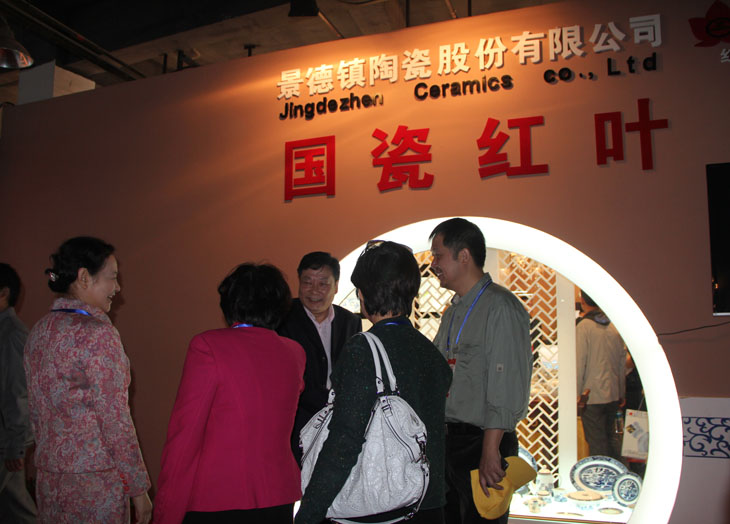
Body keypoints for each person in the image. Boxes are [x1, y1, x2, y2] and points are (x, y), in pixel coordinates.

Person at [295, 241, 452, 524]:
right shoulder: (429, 351)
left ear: (362, 294)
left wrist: (310, 511)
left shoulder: (362, 349)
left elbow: (344, 439)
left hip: (383, 508)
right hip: (429, 502)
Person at [154, 263, 305, 524]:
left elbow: (184, 436)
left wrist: (165, 511)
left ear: (231, 303)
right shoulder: (295, 352)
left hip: (217, 495)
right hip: (277, 494)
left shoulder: (208, 346)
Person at [23, 237, 152, 524]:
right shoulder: (98, 334)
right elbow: (115, 418)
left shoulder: (39, 331)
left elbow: (35, 412)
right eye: (112, 278)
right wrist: (138, 488)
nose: (117, 288)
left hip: (50, 481)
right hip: (95, 485)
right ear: (84, 277)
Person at [429, 218, 532, 524]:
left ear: (464, 256)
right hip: (451, 442)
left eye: (438, 256)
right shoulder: (452, 311)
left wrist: (491, 451)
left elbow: (505, 383)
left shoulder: (501, 307)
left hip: (484, 443)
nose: (433, 265)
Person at [277, 251, 361, 464]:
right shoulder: (282, 318)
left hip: (339, 423)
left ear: (336, 286)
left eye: (323, 283)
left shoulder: (350, 322)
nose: (314, 291)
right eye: (307, 282)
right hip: (295, 424)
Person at [0, 263, 37, 523]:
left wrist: (15, 445)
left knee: (18, 510)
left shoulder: (12, 335)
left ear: (4, 293)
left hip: (5, 441)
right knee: (15, 507)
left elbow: (18, 393)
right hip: (6, 439)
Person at [576, 290, 626, 460]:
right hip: (613, 393)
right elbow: (621, 363)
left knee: (597, 442)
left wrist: (577, 393)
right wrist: (621, 391)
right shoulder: (614, 327)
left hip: (591, 394)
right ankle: (618, 471)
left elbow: (579, 362)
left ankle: (601, 473)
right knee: (613, 439)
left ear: (583, 301)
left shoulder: (584, 327)